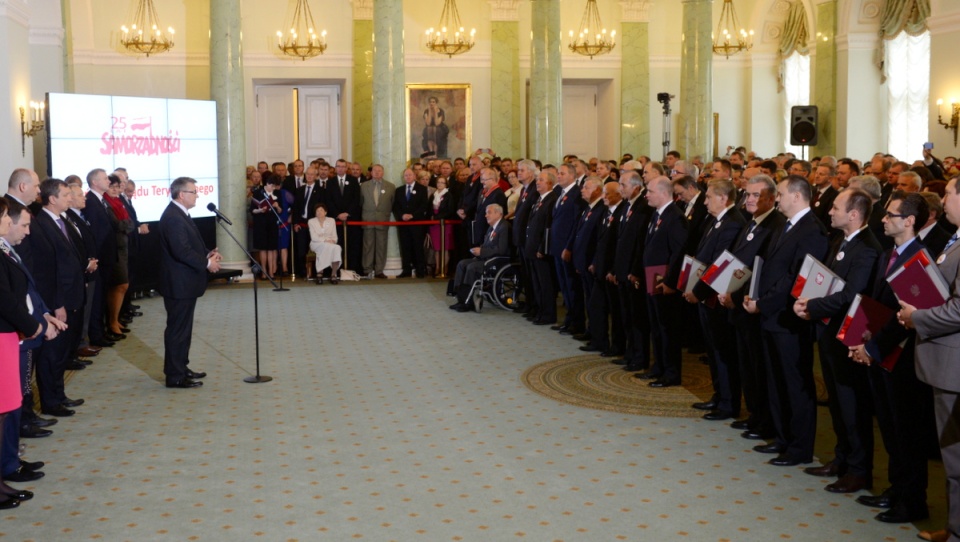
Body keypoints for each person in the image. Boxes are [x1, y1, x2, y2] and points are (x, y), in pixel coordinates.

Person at [0, 198, 61, 509]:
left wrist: (42, 317)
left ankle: (7, 469)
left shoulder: (5, 249)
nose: (18, 228)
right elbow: (6, 300)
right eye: (16, 222)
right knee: (4, 409)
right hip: (8, 332)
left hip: (11, 334)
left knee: (8, 407)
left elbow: (25, 291)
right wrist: (35, 326)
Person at [156, 177, 221, 389]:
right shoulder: (174, 217)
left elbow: (189, 244)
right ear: (181, 194)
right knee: (178, 330)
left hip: (185, 282)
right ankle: (175, 375)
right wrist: (206, 263)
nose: (197, 195)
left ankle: (181, 367)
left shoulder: (180, 213)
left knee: (184, 329)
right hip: (179, 283)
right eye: (194, 192)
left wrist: (206, 253)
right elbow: (181, 251)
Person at [448, 204, 510, 312]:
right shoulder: (492, 227)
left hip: (497, 261)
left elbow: (502, 250)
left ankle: (468, 301)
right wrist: (479, 250)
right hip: (486, 258)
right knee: (462, 264)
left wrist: (482, 251)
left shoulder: (504, 227)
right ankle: (461, 298)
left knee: (472, 267)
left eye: (489, 212)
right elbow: (487, 245)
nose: (486, 215)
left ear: (498, 213)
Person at [103, 174, 134, 339]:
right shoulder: (106, 203)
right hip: (114, 249)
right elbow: (117, 224)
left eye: (117, 186)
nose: (115, 189)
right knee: (120, 285)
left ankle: (116, 320)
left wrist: (125, 225)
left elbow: (129, 223)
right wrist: (125, 225)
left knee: (122, 286)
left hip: (123, 247)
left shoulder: (119, 202)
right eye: (112, 186)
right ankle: (112, 322)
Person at [393, 168, 430, 278]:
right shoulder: (399, 190)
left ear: (414, 176)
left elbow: (424, 205)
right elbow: (396, 206)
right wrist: (402, 216)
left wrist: (413, 215)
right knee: (405, 247)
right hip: (403, 224)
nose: (408, 177)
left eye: (410, 175)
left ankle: (420, 270)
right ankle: (406, 270)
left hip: (417, 223)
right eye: (406, 175)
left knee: (418, 247)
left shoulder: (422, 189)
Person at [360, 164, 395, 278]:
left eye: (379, 171)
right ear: (371, 172)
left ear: (383, 173)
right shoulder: (364, 186)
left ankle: (379, 270)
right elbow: (360, 202)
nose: (377, 173)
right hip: (368, 220)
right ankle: (367, 269)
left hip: (382, 220)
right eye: (375, 171)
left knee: (381, 246)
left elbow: (392, 203)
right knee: (368, 245)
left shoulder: (390, 186)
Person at [250, 176, 282, 279]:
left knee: (272, 249)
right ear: (266, 184)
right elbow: (253, 210)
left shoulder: (277, 193)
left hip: (273, 223)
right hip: (261, 223)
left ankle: (271, 272)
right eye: (271, 186)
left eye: (274, 186)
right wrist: (260, 210)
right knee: (263, 249)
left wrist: (277, 206)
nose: (273, 188)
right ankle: (264, 272)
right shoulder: (258, 193)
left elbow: (281, 211)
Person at [307, 203, 342, 284]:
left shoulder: (331, 220)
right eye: (317, 211)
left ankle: (333, 275)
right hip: (316, 244)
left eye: (321, 210)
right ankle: (319, 273)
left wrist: (333, 241)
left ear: (325, 212)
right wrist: (325, 240)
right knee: (324, 246)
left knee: (337, 248)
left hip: (330, 243)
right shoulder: (311, 221)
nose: (319, 212)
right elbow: (314, 237)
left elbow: (335, 236)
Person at [429, 177, 457, 277]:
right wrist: (432, 216)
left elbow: (450, 210)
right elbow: (429, 208)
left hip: (444, 222)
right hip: (434, 224)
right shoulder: (433, 195)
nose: (440, 184)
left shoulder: (448, 195)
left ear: (446, 184)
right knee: (437, 247)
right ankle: (437, 267)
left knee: (445, 247)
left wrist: (437, 217)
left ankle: (445, 268)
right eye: (438, 182)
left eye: (442, 183)